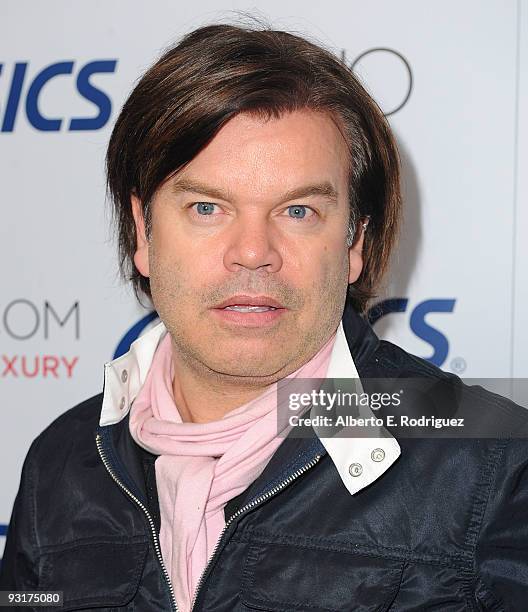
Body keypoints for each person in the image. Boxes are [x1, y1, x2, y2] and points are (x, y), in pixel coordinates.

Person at [1, 21, 527, 612]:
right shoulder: (63, 463)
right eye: (207, 207)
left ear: (354, 242)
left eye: (298, 211)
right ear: (142, 232)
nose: (253, 251)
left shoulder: (493, 463)